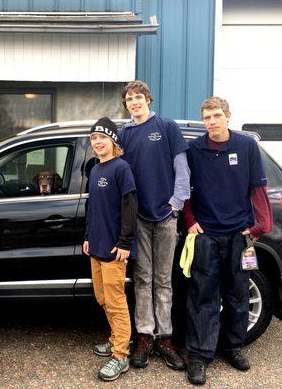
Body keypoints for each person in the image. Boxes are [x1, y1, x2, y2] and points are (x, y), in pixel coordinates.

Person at [182, 97, 273, 385]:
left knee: (238, 296)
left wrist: (261, 225)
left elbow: (257, 187)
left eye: (216, 116)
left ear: (228, 116)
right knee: (202, 298)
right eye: (207, 117)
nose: (211, 121)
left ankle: (234, 348)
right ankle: (199, 356)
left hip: (239, 235)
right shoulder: (195, 150)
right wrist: (190, 221)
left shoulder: (246, 146)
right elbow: (184, 189)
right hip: (206, 235)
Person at [118, 80, 189, 370]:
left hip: (165, 216)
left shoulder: (167, 127)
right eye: (129, 99)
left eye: (138, 97)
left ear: (148, 99)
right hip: (138, 219)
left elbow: (182, 168)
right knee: (142, 279)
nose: (134, 102)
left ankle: (165, 338)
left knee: (164, 280)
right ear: (126, 105)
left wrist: (176, 205)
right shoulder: (124, 135)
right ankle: (144, 336)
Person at [83, 117, 137, 381]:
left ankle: (120, 356)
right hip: (96, 245)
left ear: (113, 140)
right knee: (102, 298)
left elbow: (130, 208)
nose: (98, 142)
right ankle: (117, 338)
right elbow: (92, 208)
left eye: (102, 137)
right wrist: (87, 236)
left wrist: (125, 243)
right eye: (94, 138)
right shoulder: (95, 170)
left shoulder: (121, 168)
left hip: (115, 250)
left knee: (116, 304)